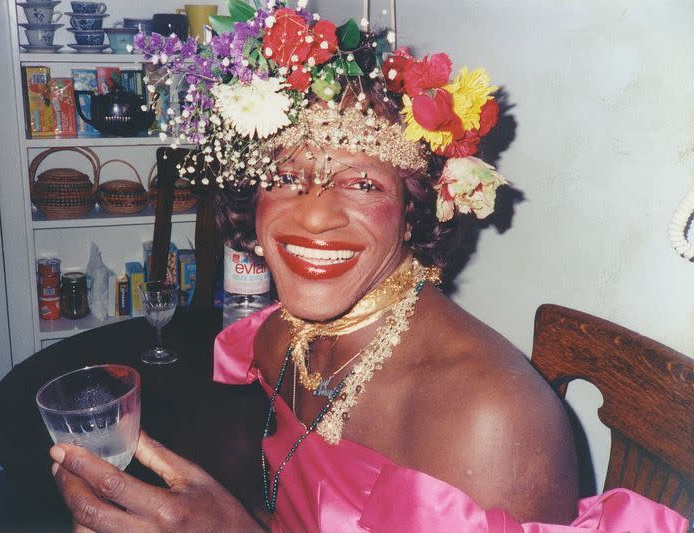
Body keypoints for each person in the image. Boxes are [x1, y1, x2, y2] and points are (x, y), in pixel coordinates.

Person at [49, 2, 690, 531]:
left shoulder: (487, 424)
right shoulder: (283, 337)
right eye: (286, 177)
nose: (315, 217)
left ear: (415, 213)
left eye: (362, 183)